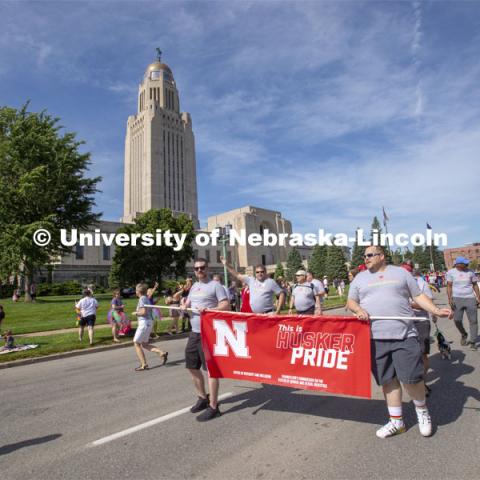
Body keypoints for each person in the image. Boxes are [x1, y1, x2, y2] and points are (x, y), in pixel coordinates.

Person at [347, 246, 451, 439]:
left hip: (404, 334)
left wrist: (435, 310)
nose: (366, 258)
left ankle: (422, 412)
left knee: (411, 378)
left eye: (370, 255)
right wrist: (357, 310)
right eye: (364, 256)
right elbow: (351, 301)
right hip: (374, 337)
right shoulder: (360, 278)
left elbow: (418, 296)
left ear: (381, 256)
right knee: (388, 381)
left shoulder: (401, 273)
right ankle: (397, 422)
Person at [181, 258, 230, 421]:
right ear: (194, 271)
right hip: (194, 332)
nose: (199, 270)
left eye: (202, 268)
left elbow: (225, 305)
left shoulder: (215, 286)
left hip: (208, 333)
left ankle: (214, 406)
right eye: (196, 268)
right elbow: (188, 303)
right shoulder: (195, 286)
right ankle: (202, 397)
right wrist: (184, 306)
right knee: (191, 366)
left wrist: (210, 309)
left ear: (207, 269)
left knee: (211, 371)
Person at [221, 257, 285, 314]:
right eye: (257, 272)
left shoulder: (270, 282)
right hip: (256, 315)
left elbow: (281, 294)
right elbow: (237, 275)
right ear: (255, 273)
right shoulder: (251, 280)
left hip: (268, 314)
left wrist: (278, 311)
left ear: (265, 272)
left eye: (262, 272)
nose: (260, 274)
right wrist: (226, 265)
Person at [131, 283, 168, 371]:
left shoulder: (142, 299)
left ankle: (144, 364)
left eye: (136, 290)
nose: (135, 292)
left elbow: (143, 312)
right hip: (148, 322)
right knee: (144, 344)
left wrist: (136, 313)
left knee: (136, 343)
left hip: (144, 323)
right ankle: (161, 352)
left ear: (138, 291)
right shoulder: (146, 298)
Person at [446, 256, 480, 350]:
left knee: (473, 321)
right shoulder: (451, 272)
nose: (467, 264)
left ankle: (473, 342)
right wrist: (450, 299)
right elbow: (449, 286)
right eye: (465, 263)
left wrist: (478, 297)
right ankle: (463, 334)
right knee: (457, 320)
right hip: (457, 299)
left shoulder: (471, 272)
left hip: (470, 299)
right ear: (458, 264)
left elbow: (475, 285)